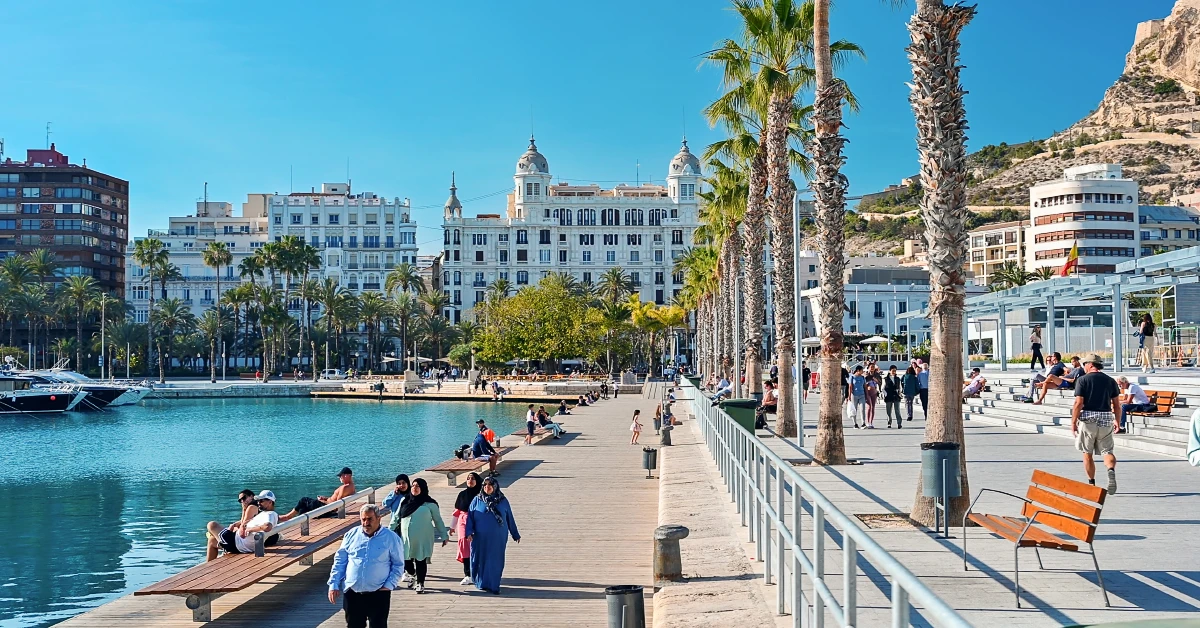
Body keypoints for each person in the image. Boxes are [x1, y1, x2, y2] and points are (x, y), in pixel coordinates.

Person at [328, 504, 404, 626]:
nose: (366, 523)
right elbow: (340, 561)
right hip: (353, 592)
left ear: (379, 518)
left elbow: (398, 565)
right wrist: (334, 584)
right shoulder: (351, 535)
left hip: (379, 593)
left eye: (370, 519)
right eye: (363, 519)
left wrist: (389, 585)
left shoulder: (391, 538)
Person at [1071, 353, 1120, 494]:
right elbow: (1117, 405)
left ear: (1090, 364)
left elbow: (1078, 403)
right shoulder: (1110, 381)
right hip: (1105, 418)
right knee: (1107, 451)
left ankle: (1091, 483)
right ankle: (1110, 470)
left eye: (1084, 364)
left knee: (1087, 453)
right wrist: (1117, 420)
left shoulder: (1082, 380)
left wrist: (1073, 422)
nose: (1083, 367)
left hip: (1088, 419)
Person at [464, 476, 521, 595]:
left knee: (495, 560)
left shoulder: (502, 500)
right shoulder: (477, 500)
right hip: (479, 537)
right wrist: (468, 532)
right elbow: (470, 517)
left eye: (490, 485)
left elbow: (509, 517)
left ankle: (494, 585)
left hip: (498, 537)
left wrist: (515, 534)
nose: (487, 487)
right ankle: (482, 583)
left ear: (495, 486)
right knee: (480, 559)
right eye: (485, 485)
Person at [398, 478, 448, 594]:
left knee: (421, 560)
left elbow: (438, 520)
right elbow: (396, 518)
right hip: (406, 538)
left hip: (423, 538)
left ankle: (420, 583)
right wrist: (389, 532)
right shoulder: (405, 501)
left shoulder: (430, 504)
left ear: (423, 488)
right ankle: (412, 574)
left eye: (417, 486)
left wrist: (444, 536)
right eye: (413, 486)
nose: (414, 488)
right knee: (406, 561)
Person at [207, 490, 278, 559]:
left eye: (261, 501)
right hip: (240, 543)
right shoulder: (266, 513)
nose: (258, 503)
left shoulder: (269, 514)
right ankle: (209, 566)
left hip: (237, 542)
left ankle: (224, 545)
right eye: (258, 501)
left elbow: (267, 526)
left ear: (270, 502)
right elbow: (248, 522)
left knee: (212, 525)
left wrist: (249, 529)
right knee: (211, 540)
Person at [281, 467, 356, 522]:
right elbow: (335, 500)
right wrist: (325, 498)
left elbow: (337, 505)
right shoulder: (351, 486)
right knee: (303, 509)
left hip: (327, 508)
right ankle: (292, 521)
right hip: (327, 506)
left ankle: (288, 517)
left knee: (303, 500)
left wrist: (323, 502)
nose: (340, 478)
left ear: (347, 475)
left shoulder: (345, 487)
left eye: (341, 476)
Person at [451, 473, 483, 585]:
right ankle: (467, 574)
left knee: (477, 546)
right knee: (464, 545)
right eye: (468, 478)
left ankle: (478, 572)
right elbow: (457, 512)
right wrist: (452, 527)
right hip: (463, 520)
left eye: (473, 478)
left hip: (478, 521)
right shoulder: (462, 494)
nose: (470, 480)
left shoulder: (481, 495)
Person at [863, 365, 880, 429]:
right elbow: (864, 383)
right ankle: (867, 422)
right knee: (869, 407)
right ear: (868, 368)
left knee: (873, 407)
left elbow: (879, 382)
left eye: (873, 367)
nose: (872, 368)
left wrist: (875, 380)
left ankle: (871, 422)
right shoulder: (866, 375)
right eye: (871, 367)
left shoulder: (876, 375)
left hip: (874, 392)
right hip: (867, 392)